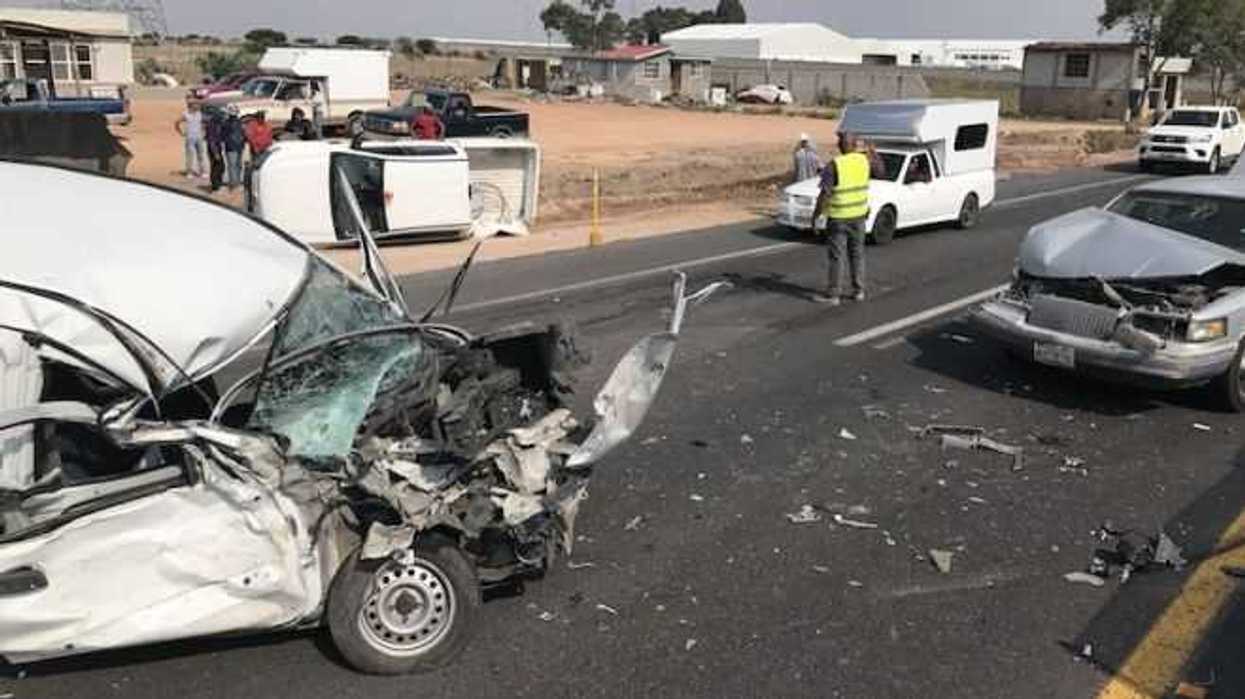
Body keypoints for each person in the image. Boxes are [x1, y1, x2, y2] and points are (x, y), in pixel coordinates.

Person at [813, 132, 872, 305]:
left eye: (840, 141)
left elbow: (824, 194)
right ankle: (858, 290)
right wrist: (873, 152)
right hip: (859, 216)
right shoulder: (864, 161)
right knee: (857, 254)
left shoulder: (835, 165)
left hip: (839, 218)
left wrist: (816, 215)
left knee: (836, 257)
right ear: (854, 145)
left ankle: (833, 295)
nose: (838, 143)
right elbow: (880, 170)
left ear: (842, 145)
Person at [174, 96, 208, 179]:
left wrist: (204, 132)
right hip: (190, 138)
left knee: (201, 155)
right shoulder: (185, 114)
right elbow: (177, 122)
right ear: (191, 105)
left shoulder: (200, 114)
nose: (198, 106)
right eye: (196, 105)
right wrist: (181, 132)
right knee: (190, 156)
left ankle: (203, 171)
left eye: (198, 105)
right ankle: (189, 172)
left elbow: (204, 123)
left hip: (199, 137)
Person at [222, 104, 246, 189]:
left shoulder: (238, 123)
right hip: (233, 147)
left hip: (236, 147)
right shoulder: (227, 123)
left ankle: (236, 182)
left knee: (236, 165)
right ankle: (234, 183)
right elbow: (223, 136)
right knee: (234, 165)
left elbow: (243, 134)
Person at [203, 107, 226, 192]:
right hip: (213, 148)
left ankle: (217, 184)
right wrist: (215, 152)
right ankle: (215, 186)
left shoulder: (217, 124)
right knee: (216, 167)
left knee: (220, 167)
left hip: (217, 147)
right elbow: (211, 140)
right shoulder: (211, 126)